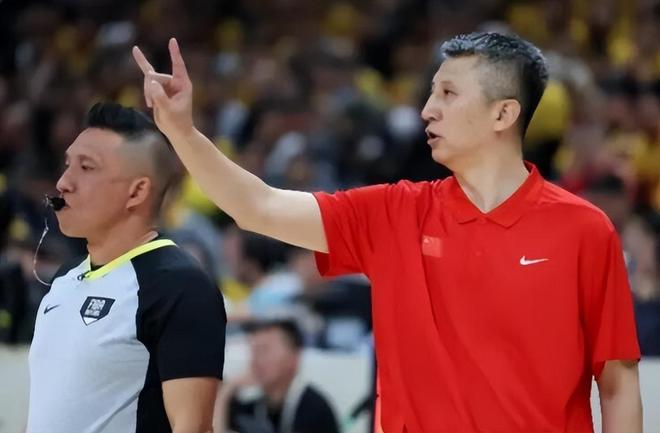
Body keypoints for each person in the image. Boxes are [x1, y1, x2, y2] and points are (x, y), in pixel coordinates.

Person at [133, 32, 642, 432]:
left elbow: (618, 384)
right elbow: (258, 207)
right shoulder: (396, 211)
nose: (427, 109)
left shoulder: (583, 229)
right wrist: (181, 131)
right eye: (431, 92)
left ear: (503, 113)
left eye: (447, 93)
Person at [27, 102, 227, 433]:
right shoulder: (65, 277)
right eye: (67, 165)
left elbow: (193, 428)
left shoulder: (180, 287)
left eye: (86, 168)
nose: (63, 183)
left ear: (136, 191)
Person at [213, 319, 340, 433]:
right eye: (254, 351)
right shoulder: (250, 403)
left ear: (294, 358)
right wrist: (226, 391)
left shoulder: (313, 409)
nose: (256, 360)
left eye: (264, 350)